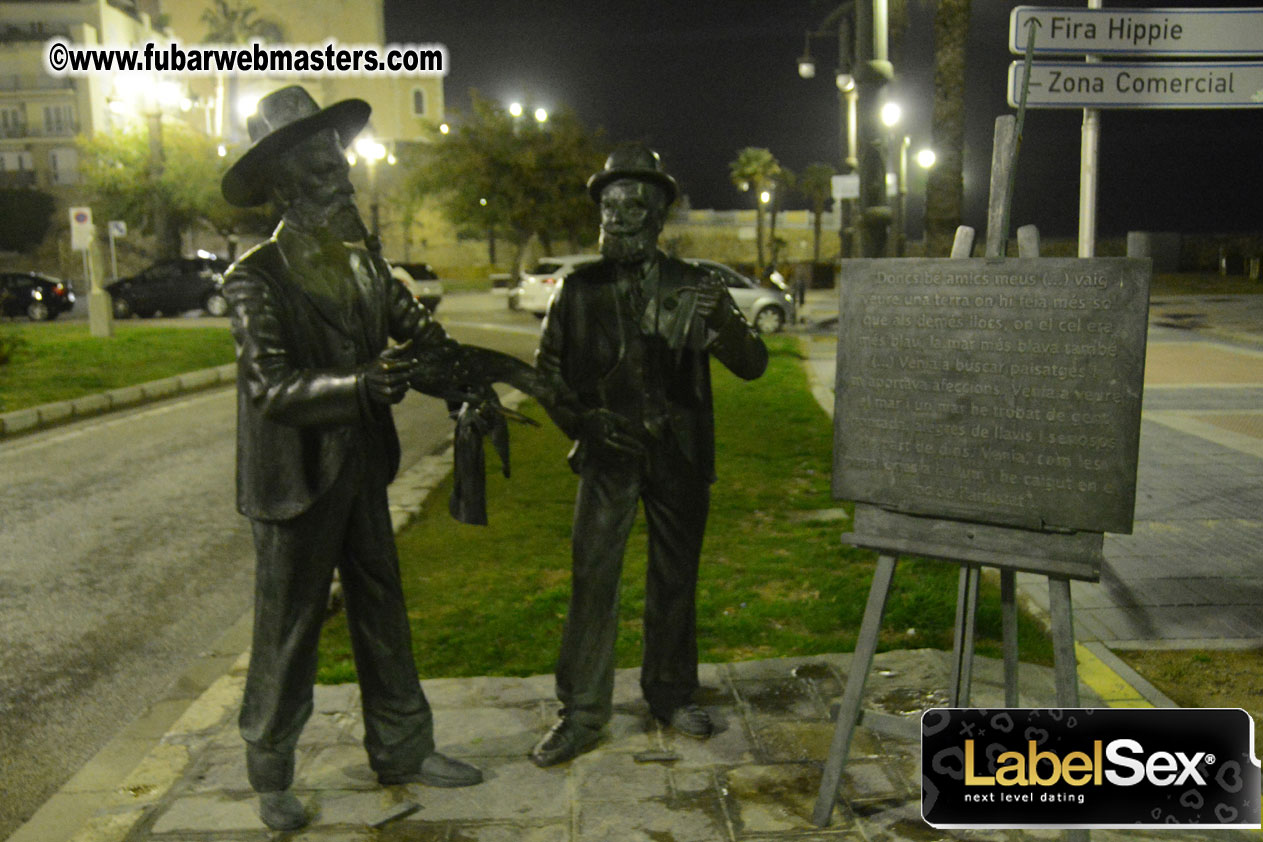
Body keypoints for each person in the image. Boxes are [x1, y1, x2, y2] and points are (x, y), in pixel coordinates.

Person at [219, 86, 482, 831]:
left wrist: (457, 372)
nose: (340, 172)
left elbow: (416, 331)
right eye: (317, 161)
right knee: (288, 628)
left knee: (381, 609)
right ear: (280, 182)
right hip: (295, 481)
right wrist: (361, 383)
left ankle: (403, 745)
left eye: (338, 156)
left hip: (363, 466)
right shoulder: (253, 279)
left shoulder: (364, 258)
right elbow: (270, 387)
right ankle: (270, 770)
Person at [529, 144, 769, 768]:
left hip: (680, 457)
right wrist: (583, 421)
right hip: (609, 455)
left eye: (632, 206)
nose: (617, 218)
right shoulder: (577, 291)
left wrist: (728, 323)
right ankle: (581, 712)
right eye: (608, 206)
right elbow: (547, 377)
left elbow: (752, 366)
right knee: (592, 579)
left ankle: (669, 692)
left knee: (674, 579)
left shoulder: (697, 285)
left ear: (658, 214)